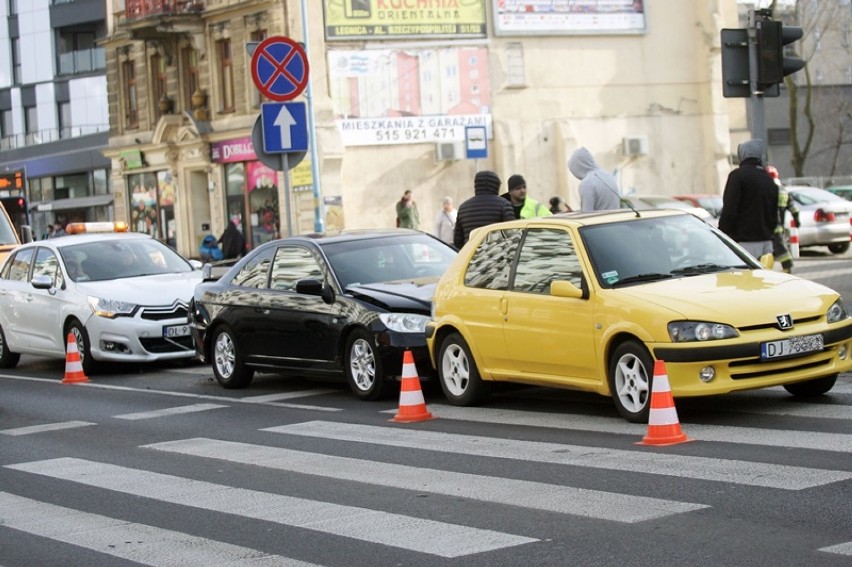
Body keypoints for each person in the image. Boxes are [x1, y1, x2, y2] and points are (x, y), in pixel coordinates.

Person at [718, 139, 779, 262]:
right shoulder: (768, 179)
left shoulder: (737, 176)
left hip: (744, 242)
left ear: (744, 155)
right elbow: (774, 213)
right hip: (767, 242)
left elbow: (730, 209)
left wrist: (722, 233)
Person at [454, 170, 515, 249]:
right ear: (496, 185)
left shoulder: (463, 208)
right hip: (497, 256)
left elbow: (457, 241)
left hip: (472, 257)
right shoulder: (504, 205)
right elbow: (512, 236)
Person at [766, 164, 800, 273]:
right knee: (773, 250)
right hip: (779, 226)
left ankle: (787, 267)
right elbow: (794, 208)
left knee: (779, 249)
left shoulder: (767, 190)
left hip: (769, 227)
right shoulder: (783, 190)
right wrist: (796, 219)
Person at [567, 147, 622, 212]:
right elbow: (604, 208)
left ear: (578, 167)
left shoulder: (587, 183)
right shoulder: (609, 176)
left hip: (601, 221)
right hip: (615, 220)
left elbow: (587, 215)